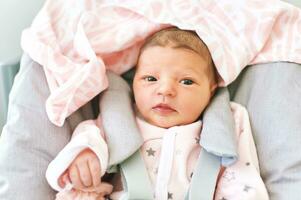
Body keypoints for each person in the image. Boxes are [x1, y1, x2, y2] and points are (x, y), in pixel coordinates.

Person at [46, 27, 269, 200]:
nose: (165, 90)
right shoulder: (120, 121)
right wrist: (85, 154)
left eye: (186, 81)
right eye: (150, 79)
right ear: (133, 84)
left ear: (211, 91)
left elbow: (243, 182)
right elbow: (89, 135)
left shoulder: (227, 123)